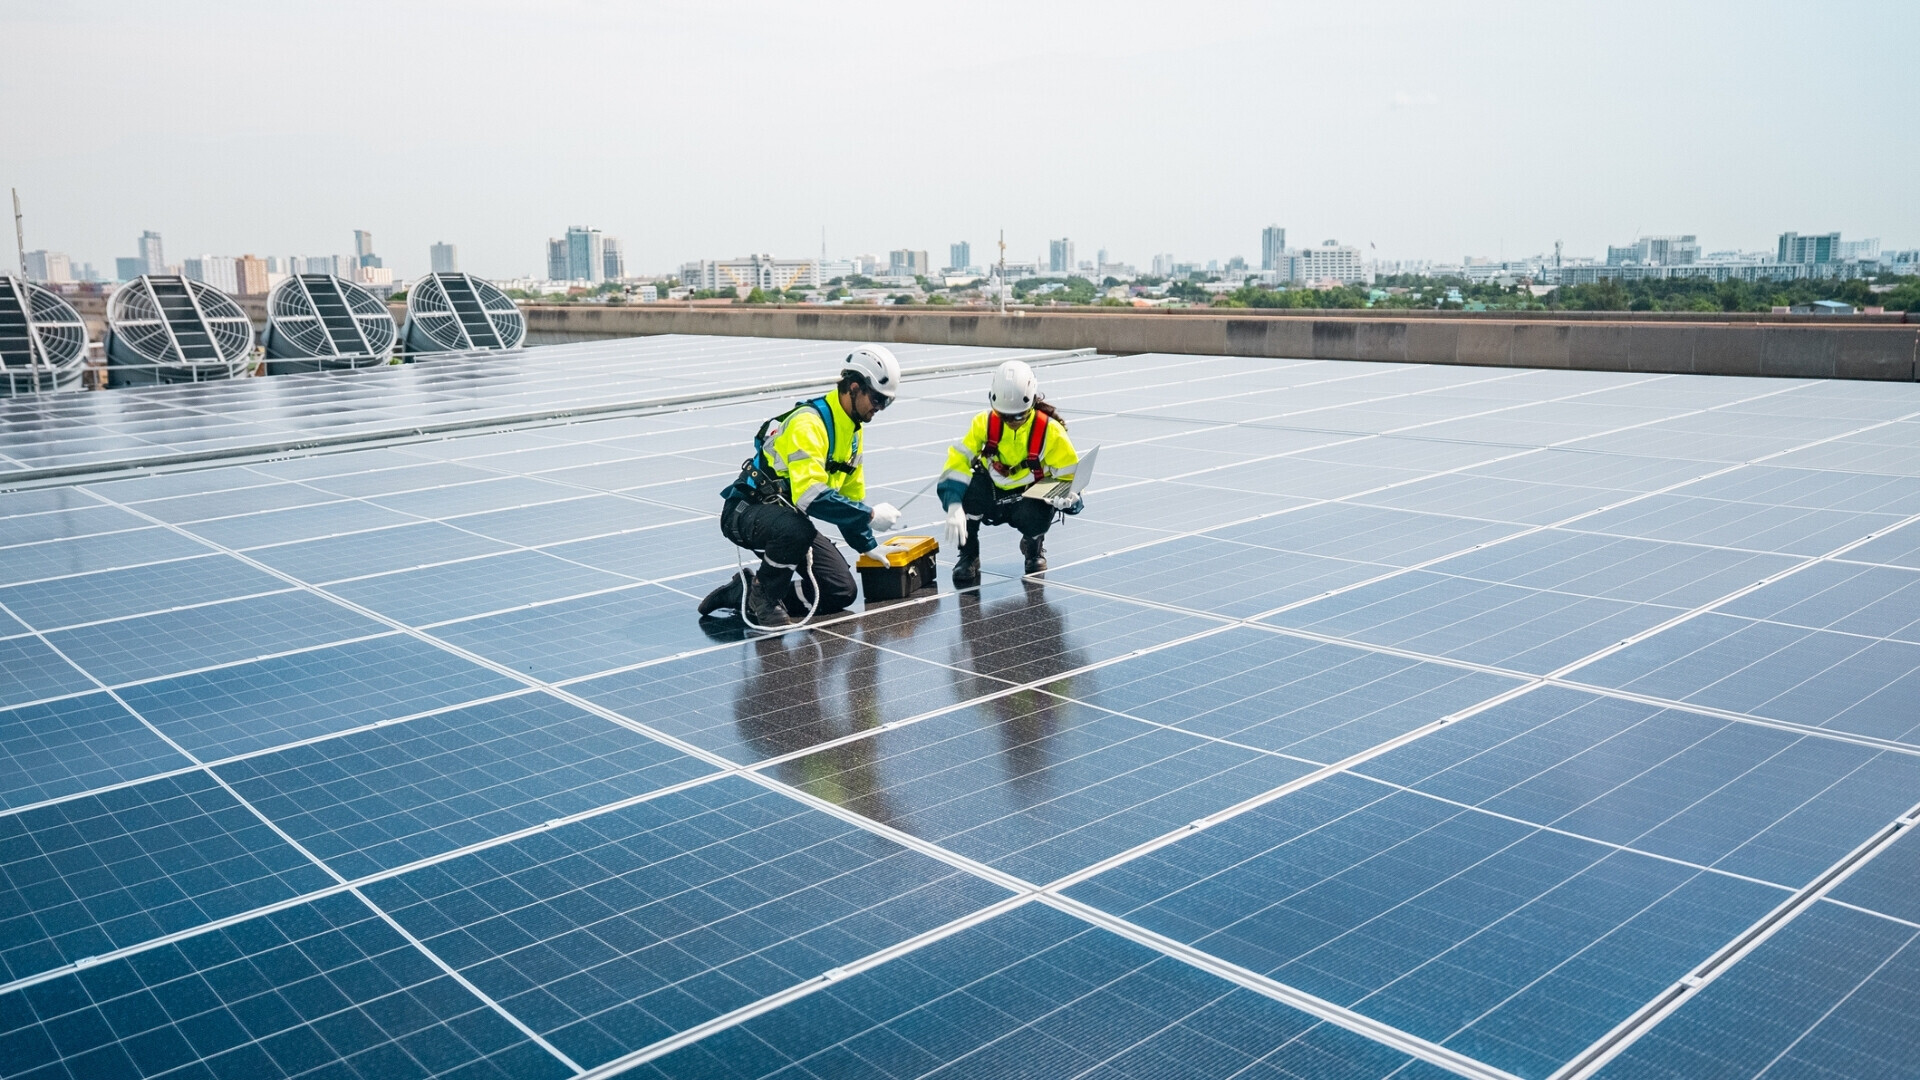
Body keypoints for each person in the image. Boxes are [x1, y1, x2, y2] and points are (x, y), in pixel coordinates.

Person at [697, 346, 904, 629]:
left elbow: (849, 498)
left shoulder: (853, 434)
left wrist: (866, 545)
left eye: (887, 403)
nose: (879, 408)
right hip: (746, 513)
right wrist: (869, 515)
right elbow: (810, 498)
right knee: (797, 529)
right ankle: (765, 597)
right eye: (878, 399)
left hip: (789, 520)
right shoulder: (808, 423)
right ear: (854, 388)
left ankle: (745, 594)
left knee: (841, 590)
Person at [938, 359, 1080, 587]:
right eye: (1004, 416)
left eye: (1019, 416)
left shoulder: (1049, 431)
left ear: (1032, 403)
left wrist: (1070, 499)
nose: (1012, 422)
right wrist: (953, 504)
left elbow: (1068, 475)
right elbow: (958, 462)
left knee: (1039, 512)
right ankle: (968, 555)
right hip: (991, 495)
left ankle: (1033, 547)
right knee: (967, 489)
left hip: (1027, 498)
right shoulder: (983, 424)